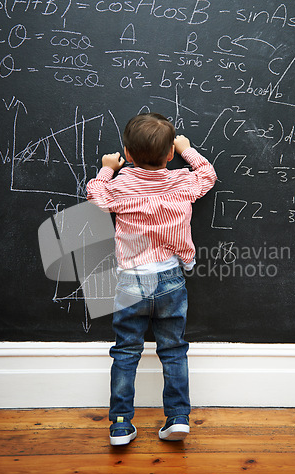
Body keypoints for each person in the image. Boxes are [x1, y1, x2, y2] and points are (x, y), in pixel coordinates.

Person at [87, 113, 217, 445]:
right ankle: (177, 417)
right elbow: (207, 175)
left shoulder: (119, 185)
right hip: (171, 277)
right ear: (169, 154)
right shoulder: (182, 183)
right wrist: (189, 151)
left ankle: (119, 424)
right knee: (173, 349)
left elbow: (96, 196)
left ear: (127, 154)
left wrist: (106, 167)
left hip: (131, 280)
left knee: (126, 351)